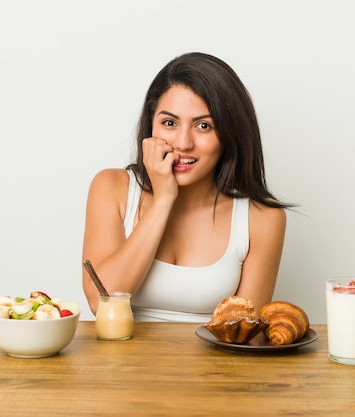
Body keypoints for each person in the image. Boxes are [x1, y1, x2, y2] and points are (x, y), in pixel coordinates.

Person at [82, 52, 295, 322]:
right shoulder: (111, 187)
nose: (183, 143)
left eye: (203, 126)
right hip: (120, 364)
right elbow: (102, 302)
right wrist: (163, 201)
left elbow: (245, 334)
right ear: (151, 125)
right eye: (169, 123)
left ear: (229, 134)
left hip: (215, 364)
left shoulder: (263, 217)